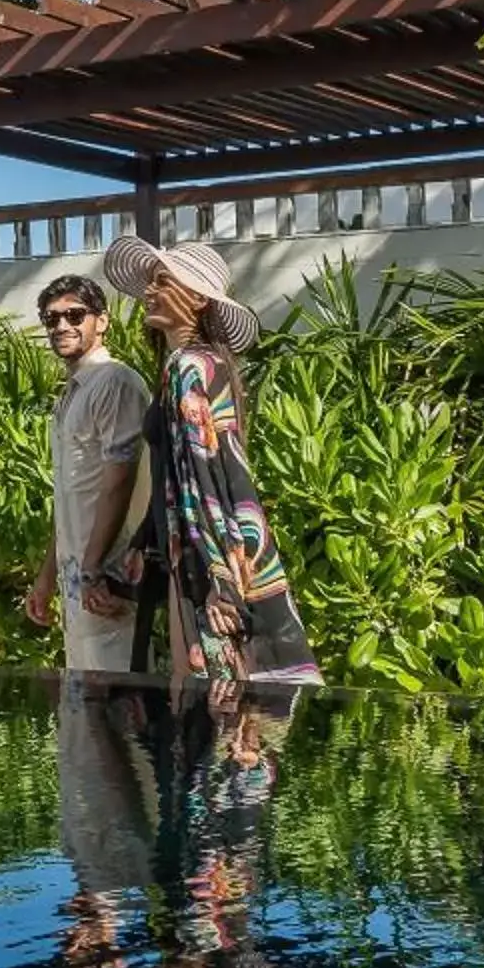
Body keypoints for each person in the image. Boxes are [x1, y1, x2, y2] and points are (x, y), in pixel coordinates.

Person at [100, 237, 320, 688]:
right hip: (204, 550)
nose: (148, 291)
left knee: (217, 704)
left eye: (161, 281)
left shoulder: (189, 369)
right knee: (224, 704)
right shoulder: (204, 364)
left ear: (198, 299)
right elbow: (187, 476)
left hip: (208, 556)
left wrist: (220, 583)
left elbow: (207, 477)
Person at [22, 275, 152, 672]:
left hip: (110, 582)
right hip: (79, 585)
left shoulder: (115, 381)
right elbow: (69, 498)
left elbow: (120, 480)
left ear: (102, 321)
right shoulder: (72, 394)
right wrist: (47, 578)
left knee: (119, 717)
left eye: (75, 315)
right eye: (51, 319)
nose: (61, 326)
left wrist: (95, 570)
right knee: (90, 722)